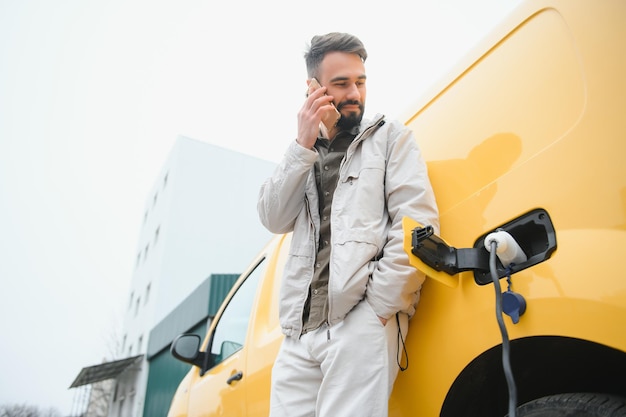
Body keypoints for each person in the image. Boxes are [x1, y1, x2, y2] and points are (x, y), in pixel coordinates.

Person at [257, 32, 440, 417]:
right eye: (341, 84)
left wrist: (379, 309)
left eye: (361, 81)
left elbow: (416, 223)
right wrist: (301, 145)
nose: (354, 92)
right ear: (313, 88)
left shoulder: (391, 138)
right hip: (298, 335)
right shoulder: (301, 154)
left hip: (358, 321)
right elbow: (273, 217)